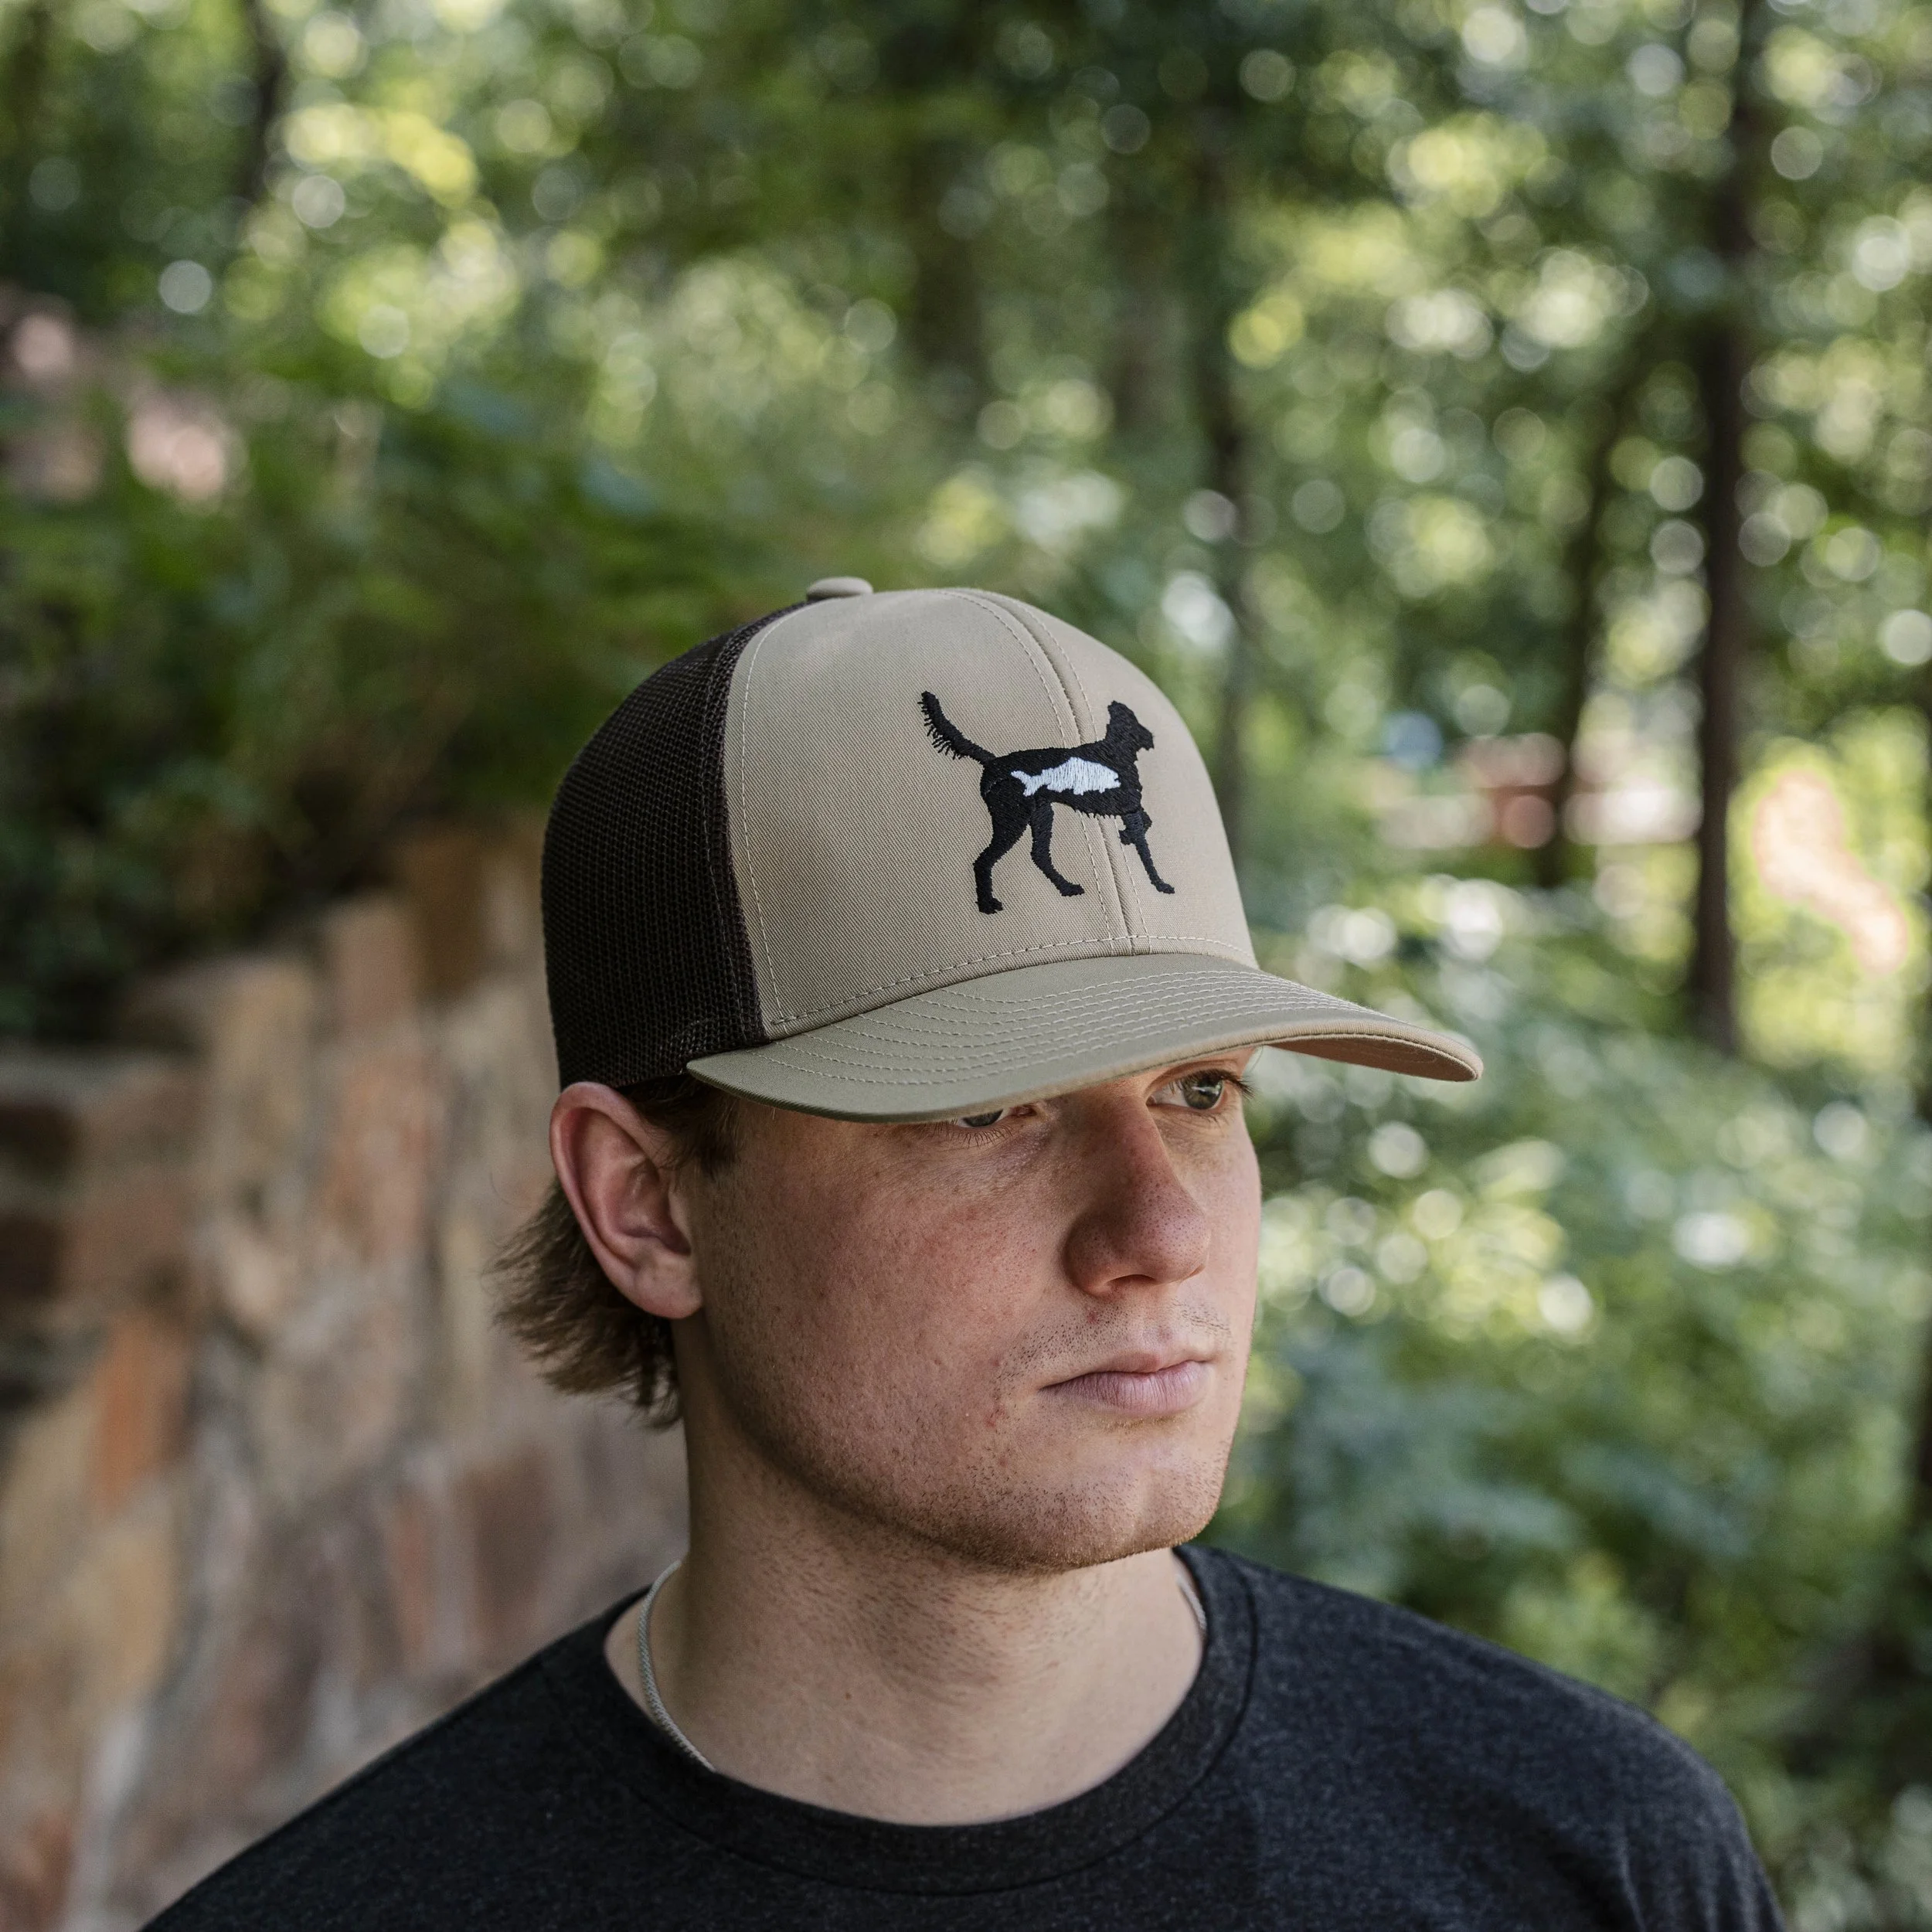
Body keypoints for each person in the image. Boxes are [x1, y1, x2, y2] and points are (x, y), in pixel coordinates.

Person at [151, 580, 1783, 1929]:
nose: (1159, 1233)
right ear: (648, 1203)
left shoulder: (1596, 1857)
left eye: (1200, 1090)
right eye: (987, 1107)